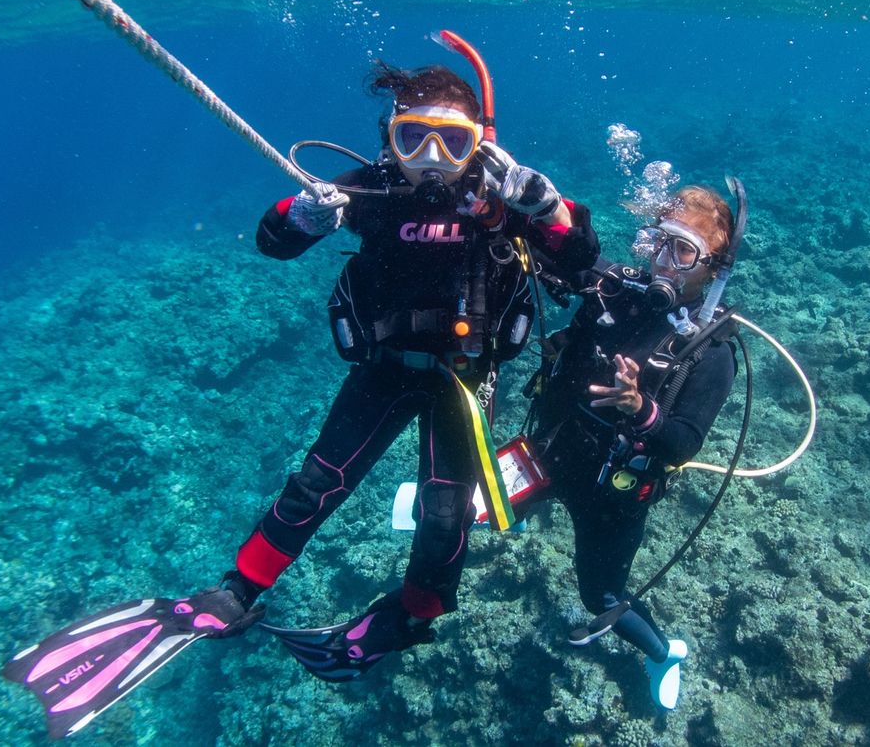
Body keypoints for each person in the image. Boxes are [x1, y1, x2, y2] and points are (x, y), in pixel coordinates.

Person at [215, 59, 600, 679]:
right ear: (390, 135)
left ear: (481, 145)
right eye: (412, 136)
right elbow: (274, 240)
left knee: (446, 510)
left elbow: (582, 261)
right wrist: (299, 218)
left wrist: (548, 206)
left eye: (453, 142)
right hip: (385, 369)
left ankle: (416, 614)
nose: (430, 156)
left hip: (466, 378)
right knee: (318, 481)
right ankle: (239, 589)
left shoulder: (503, 197)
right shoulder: (370, 189)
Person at [521, 184, 739, 711]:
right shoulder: (619, 289)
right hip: (552, 451)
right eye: (660, 243)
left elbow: (684, 442)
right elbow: (568, 257)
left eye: (683, 250)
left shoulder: (711, 353)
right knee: (479, 506)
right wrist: (534, 205)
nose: (665, 261)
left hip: (613, 496)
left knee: (600, 597)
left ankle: (663, 653)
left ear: (713, 268)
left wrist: (639, 408)